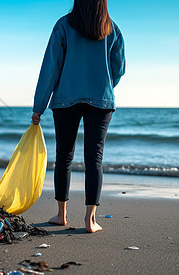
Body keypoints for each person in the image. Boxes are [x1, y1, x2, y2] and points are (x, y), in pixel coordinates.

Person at [31, 0, 125, 233]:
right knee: (95, 159)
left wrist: (39, 106)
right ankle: (90, 220)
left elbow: (50, 67)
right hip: (101, 100)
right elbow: (119, 68)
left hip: (65, 99)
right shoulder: (112, 28)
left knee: (64, 156)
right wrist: (103, 86)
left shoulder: (63, 25)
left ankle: (61, 215)